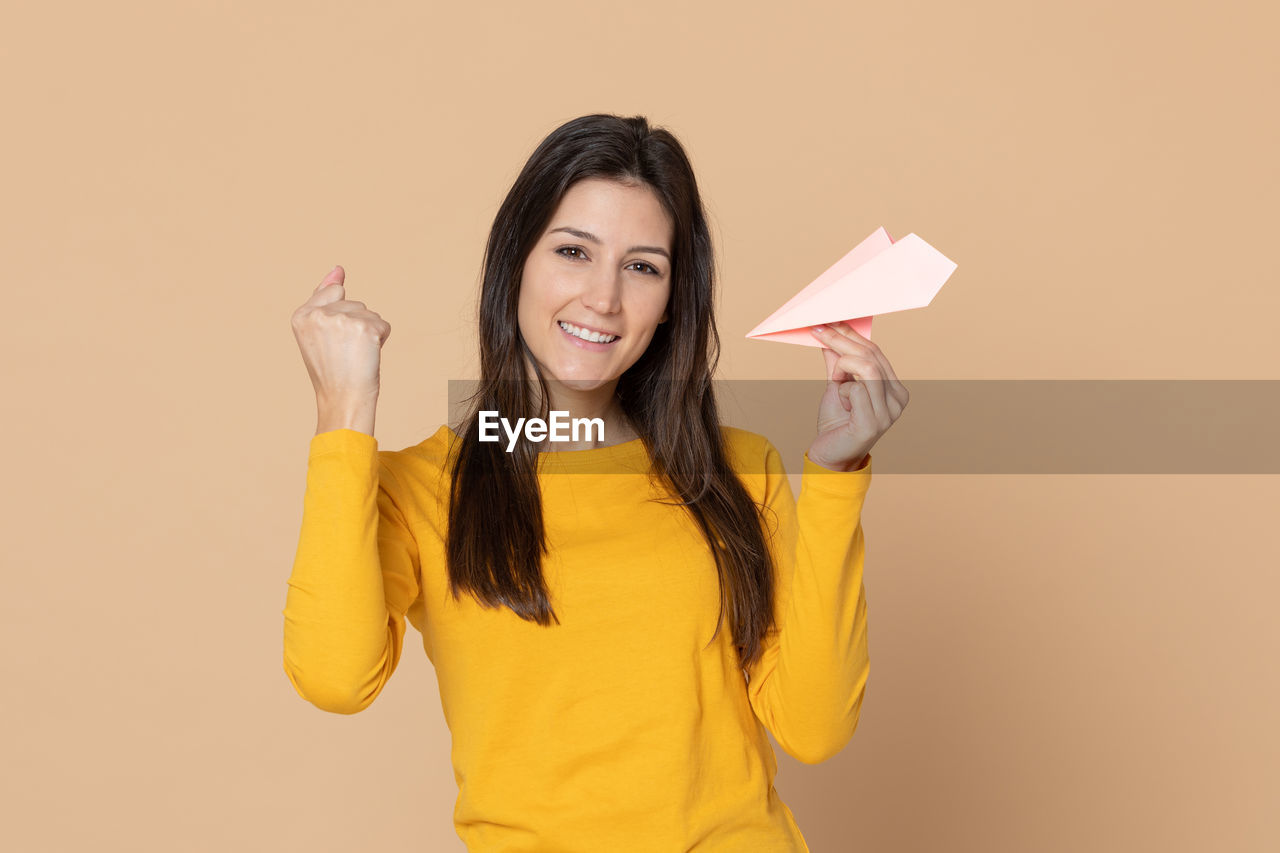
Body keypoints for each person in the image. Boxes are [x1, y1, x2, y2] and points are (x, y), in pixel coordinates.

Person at [283, 113, 909, 851]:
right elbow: (335, 677)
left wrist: (835, 477)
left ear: (674, 298)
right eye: (574, 251)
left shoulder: (739, 470)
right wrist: (343, 414)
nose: (604, 298)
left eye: (643, 265)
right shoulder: (420, 488)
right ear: (515, 260)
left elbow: (816, 725)